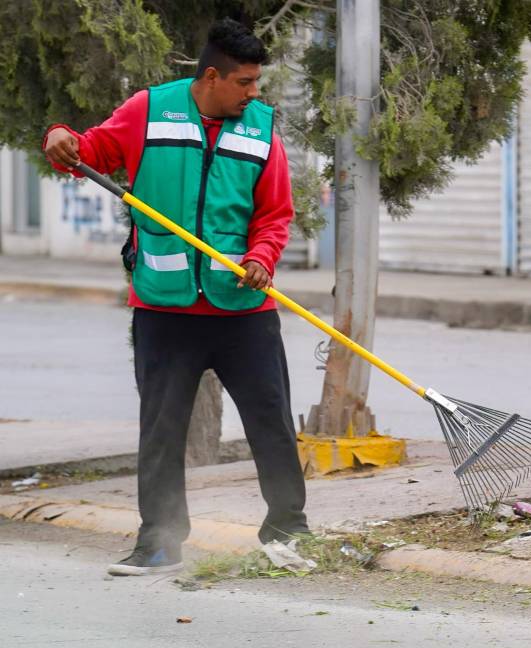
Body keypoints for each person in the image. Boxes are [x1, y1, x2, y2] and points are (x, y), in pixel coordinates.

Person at [43, 18, 309, 576]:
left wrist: (262, 258)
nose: (253, 93)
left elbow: (275, 214)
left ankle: (289, 531)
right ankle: (160, 542)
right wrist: (58, 137)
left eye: (257, 82)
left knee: (272, 423)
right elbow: (86, 152)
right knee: (161, 429)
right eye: (244, 82)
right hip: (164, 308)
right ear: (211, 77)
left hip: (242, 309)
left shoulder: (261, 129)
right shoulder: (148, 110)